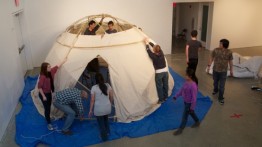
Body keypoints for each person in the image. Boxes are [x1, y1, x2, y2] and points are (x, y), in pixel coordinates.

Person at [38, 59, 66, 130]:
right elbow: (39, 87)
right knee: (47, 108)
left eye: (50, 66)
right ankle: (49, 123)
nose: (50, 67)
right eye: (49, 67)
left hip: (49, 93)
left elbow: (58, 66)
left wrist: (64, 59)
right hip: (43, 94)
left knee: (49, 106)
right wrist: (44, 96)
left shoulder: (51, 71)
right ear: (45, 68)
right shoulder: (43, 76)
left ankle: (48, 117)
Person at [173, 68, 200, 135]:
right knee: (191, 113)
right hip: (185, 102)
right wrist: (176, 96)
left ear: (190, 76)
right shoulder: (186, 83)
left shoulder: (193, 86)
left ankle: (180, 129)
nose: (185, 76)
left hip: (189, 104)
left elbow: (194, 98)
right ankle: (197, 121)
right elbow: (181, 90)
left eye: (186, 75)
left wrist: (192, 107)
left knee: (184, 116)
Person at [207, 39, 233, 105]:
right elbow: (211, 58)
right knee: (215, 82)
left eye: (220, 44)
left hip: (223, 71)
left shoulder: (229, 52)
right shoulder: (216, 50)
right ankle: (215, 90)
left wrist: (231, 70)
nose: (219, 44)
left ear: (224, 45)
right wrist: (209, 66)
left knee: (222, 86)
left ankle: (221, 98)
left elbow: (230, 61)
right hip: (215, 70)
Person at [88, 73, 113, 141]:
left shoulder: (94, 88)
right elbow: (111, 96)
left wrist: (90, 110)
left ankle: (104, 137)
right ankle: (108, 132)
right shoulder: (108, 85)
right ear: (103, 78)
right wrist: (110, 103)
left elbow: (92, 100)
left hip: (99, 110)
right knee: (106, 120)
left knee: (101, 123)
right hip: (107, 108)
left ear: (95, 80)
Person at [144, 38, 169, 104]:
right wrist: (149, 42)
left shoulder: (153, 56)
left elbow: (148, 51)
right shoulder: (161, 52)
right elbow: (155, 46)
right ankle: (166, 96)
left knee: (159, 86)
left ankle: (161, 99)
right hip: (165, 72)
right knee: (165, 84)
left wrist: (146, 44)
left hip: (159, 73)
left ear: (154, 50)